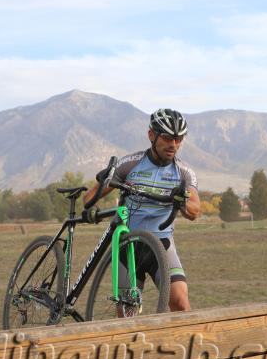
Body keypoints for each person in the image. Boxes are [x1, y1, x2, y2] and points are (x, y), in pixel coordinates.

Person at [83, 108, 201, 312]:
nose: (173, 144)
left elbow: (195, 210)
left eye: (179, 139)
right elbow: (89, 198)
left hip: (161, 244)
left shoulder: (183, 172)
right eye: (167, 137)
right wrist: (103, 183)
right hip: (128, 246)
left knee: (180, 301)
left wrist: (182, 200)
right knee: (127, 315)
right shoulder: (130, 165)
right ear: (151, 135)